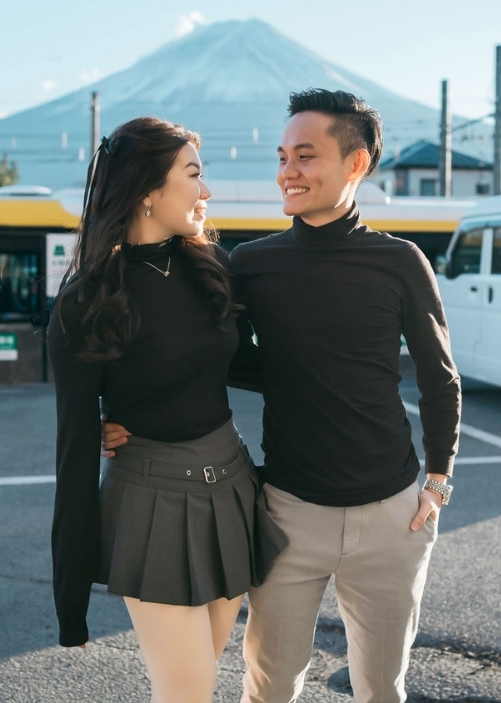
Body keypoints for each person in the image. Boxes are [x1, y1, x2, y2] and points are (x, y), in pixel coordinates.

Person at [105, 90, 462, 703]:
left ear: (356, 164)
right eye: (282, 156)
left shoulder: (400, 262)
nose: (287, 172)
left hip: (392, 518)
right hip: (287, 515)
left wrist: (436, 481)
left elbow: (440, 378)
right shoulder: (252, 264)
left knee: (384, 690)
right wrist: (114, 413)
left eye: (305, 155)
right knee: (269, 688)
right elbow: (203, 351)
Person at [48, 116, 287, 703]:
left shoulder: (212, 267)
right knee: (189, 691)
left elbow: (243, 364)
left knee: (195, 681)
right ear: (147, 190)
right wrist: (70, 600)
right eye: (194, 175)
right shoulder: (85, 303)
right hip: (149, 504)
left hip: (231, 491)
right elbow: (74, 455)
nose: (206, 193)